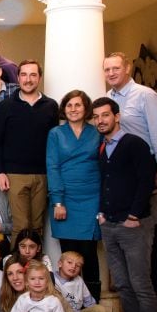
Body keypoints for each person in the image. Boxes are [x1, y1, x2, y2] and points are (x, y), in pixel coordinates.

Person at [92, 96, 157, 312]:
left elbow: (146, 181)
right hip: (110, 224)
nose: (100, 120)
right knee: (122, 285)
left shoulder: (134, 144)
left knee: (141, 285)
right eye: (96, 117)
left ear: (116, 116)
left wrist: (134, 215)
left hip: (133, 225)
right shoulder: (102, 147)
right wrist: (102, 216)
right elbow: (106, 182)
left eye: (105, 115)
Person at [0, 60, 59, 241]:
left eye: (33, 75)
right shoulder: (6, 105)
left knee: (37, 228)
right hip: (15, 175)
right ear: (18, 77)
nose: (28, 79)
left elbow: (54, 144)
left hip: (42, 175)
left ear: (39, 78)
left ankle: (35, 269)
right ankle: (17, 269)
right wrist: (0, 172)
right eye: (24, 75)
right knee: (20, 227)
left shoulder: (51, 106)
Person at [46, 90, 102, 299]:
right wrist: (58, 201)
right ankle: (69, 305)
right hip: (64, 199)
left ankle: (93, 304)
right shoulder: (56, 134)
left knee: (89, 254)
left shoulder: (96, 132)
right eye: (69, 105)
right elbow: (53, 167)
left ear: (86, 108)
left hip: (92, 199)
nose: (73, 109)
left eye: (78, 105)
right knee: (69, 256)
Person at [104, 51, 157, 210]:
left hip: (143, 163)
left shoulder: (145, 95)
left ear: (127, 68)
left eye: (116, 68)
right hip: (119, 163)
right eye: (107, 70)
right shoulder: (108, 97)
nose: (111, 73)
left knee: (143, 214)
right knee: (124, 212)